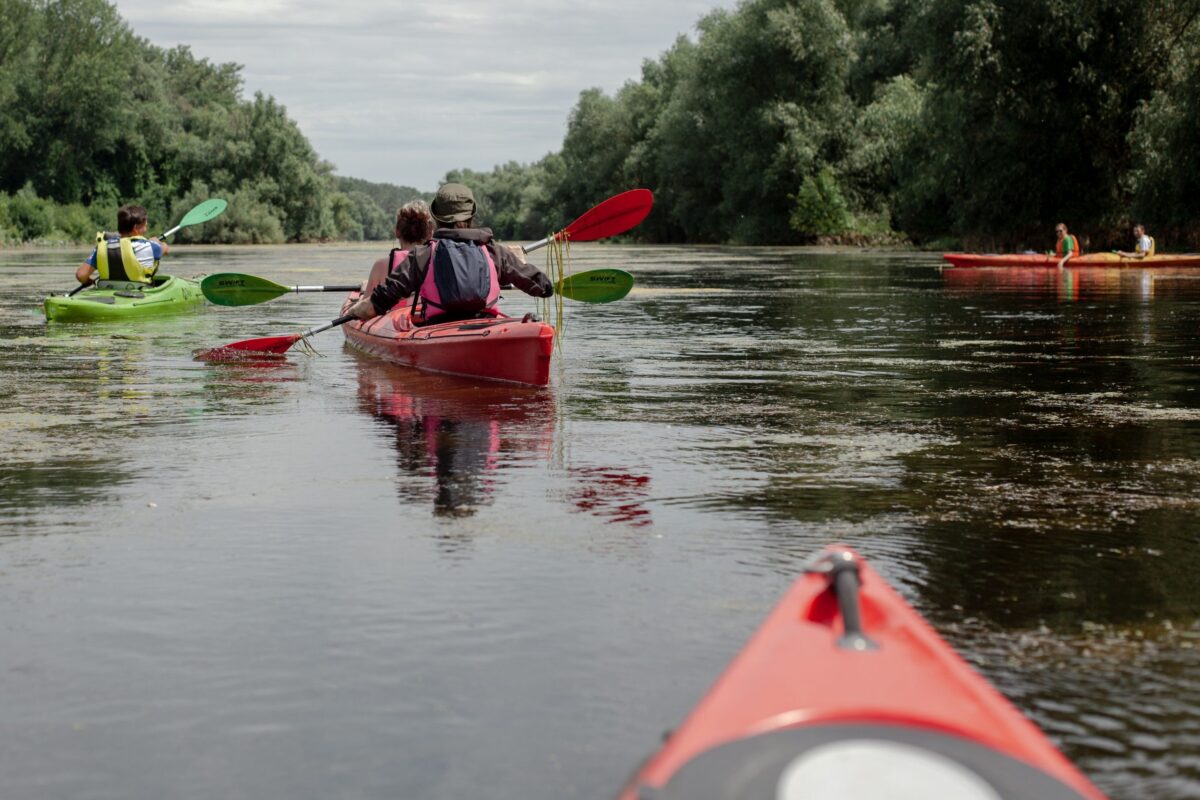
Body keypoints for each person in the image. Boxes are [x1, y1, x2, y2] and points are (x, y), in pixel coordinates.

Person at [346, 183, 553, 322]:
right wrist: (519, 263)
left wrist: (354, 311)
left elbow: (381, 301)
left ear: (436, 217)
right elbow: (543, 288)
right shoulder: (494, 251)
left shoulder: (422, 256)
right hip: (483, 323)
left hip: (438, 327)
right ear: (472, 214)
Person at [74, 204, 168, 287]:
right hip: (139, 292)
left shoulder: (102, 247)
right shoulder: (150, 246)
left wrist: (88, 282)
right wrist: (156, 242)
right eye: (145, 225)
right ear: (135, 228)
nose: (146, 229)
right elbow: (165, 249)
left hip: (107, 290)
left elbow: (81, 275)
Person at [361, 199, 437, 296]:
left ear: (397, 232)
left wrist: (363, 291)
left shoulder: (380, 266)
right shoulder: (437, 262)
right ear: (430, 234)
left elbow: (365, 307)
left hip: (393, 310)